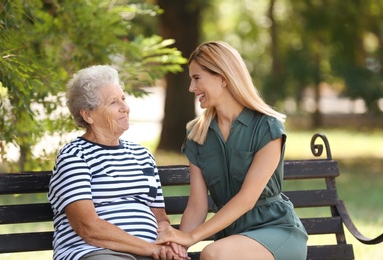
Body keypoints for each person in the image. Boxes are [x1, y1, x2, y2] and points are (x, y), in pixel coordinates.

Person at [155, 41, 308, 260]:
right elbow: (197, 205)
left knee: (214, 254)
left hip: (277, 231)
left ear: (223, 78)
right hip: (232, 238)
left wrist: (191, 237)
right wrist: (180, 244)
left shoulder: (267, 127)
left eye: (197, 78)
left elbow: (247, 198)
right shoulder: (197, 135)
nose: (191, 88)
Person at [48, 65, 188, 260]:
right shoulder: (74, 156)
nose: (125, 108)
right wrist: (150, 249)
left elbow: (160, 220)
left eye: (123, 98)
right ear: (88, 115)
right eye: (113, 102)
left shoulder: (142, 155)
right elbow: (88, 227)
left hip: (148, 253)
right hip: (96, 253)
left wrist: (170, 242)